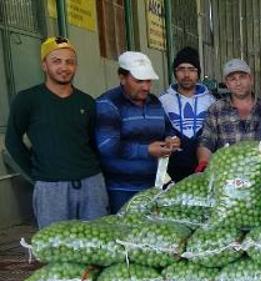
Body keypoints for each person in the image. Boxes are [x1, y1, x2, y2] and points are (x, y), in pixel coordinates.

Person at [5, 36, 108, 228]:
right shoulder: (27, 100)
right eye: (56, 61)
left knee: (97, 245)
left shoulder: (86, 102)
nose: (64, 67)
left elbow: (93, 142)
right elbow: (12, 141)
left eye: (70, 62)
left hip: (91, 184)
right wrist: (38, 174)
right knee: (56, 249)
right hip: (51, 188)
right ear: (44, 65)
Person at [95, 51, 177, 213]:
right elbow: (107, 146)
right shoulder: (108, 104)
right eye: (139, 81)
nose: (146, 87)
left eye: (148, 81)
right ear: (122, 78)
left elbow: (167, 128)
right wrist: (147, 150)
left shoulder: (154, 102)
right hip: (121, 190)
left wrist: (172, 138)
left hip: (154, 186)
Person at [196, 59, 261, 169]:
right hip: (227, 174)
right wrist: (203, 164)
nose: (238, 83)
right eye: (232, 79)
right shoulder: (216, 109)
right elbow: (206, 141)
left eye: (242, 77)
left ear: (251, 79)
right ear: (227, 84)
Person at [159, 47, 216, 182]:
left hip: (204, 167)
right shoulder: (162, 100)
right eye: (181, 69)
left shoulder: (211, 100)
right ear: (175, 72)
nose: (186, 74)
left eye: (191, 69)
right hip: (172, 170)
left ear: (198, 73)